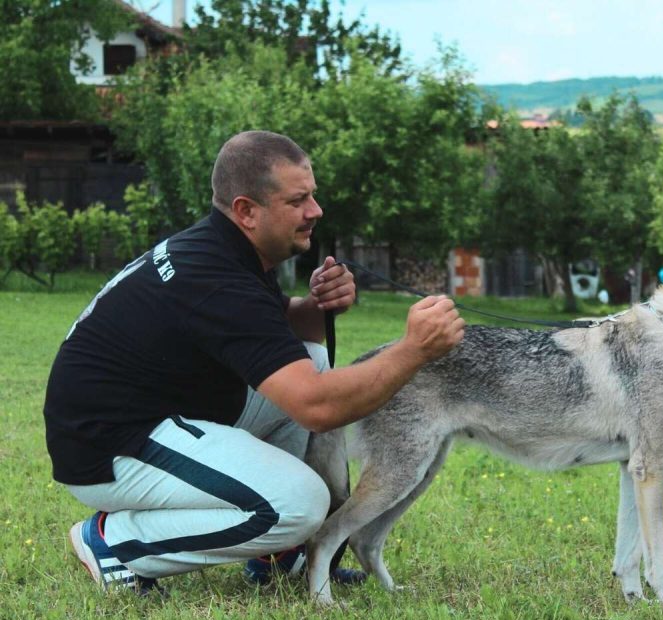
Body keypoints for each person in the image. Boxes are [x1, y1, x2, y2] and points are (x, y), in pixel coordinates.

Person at [44, 130, 465, 595]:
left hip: (144, 417)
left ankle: (278, 555)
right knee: (298, 503)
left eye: (314, 196)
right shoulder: (217, 278)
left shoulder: (225, 251)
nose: (315, 211)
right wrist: (415, 350)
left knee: (308, 358)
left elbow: (268, 329)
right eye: (298, 200)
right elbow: (317, 408)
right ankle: (115, 543)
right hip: (109, 447)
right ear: (246, 210)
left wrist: (316, 307)